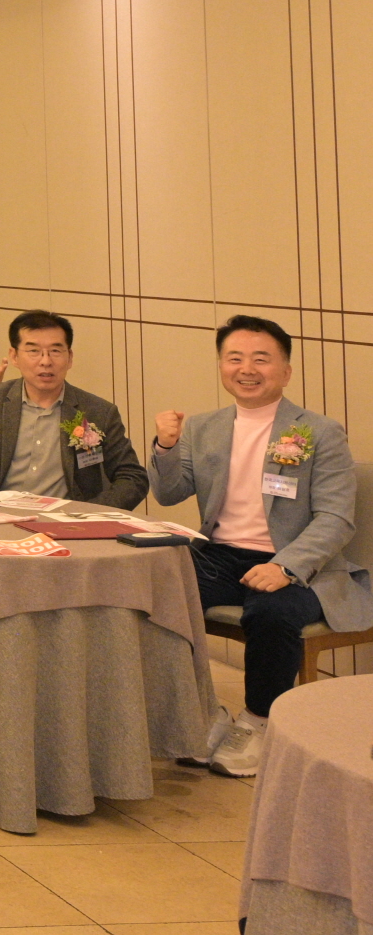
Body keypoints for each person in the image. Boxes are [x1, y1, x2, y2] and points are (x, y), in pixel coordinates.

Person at [150, 315, 369, 777]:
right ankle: (201, 712)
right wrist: (166, 448)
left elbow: (336, 519)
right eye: (235, 358)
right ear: (221, 366)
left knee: (271, 614)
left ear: (285, 371)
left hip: (301, 563)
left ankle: (258, 721)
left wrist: (285, 567)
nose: (246, 369)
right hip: (220, 554)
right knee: (157, 591)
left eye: (261, 359)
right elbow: (169, 494)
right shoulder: (203, 427)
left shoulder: (320, 431)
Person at [0, 311, 148, 510]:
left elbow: (133, 478)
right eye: (33, 351)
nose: (45, 361)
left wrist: (90, 513)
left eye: (56, 351)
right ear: (14, 356)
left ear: (69, 358)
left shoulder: (97, 411)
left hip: (64, 525)